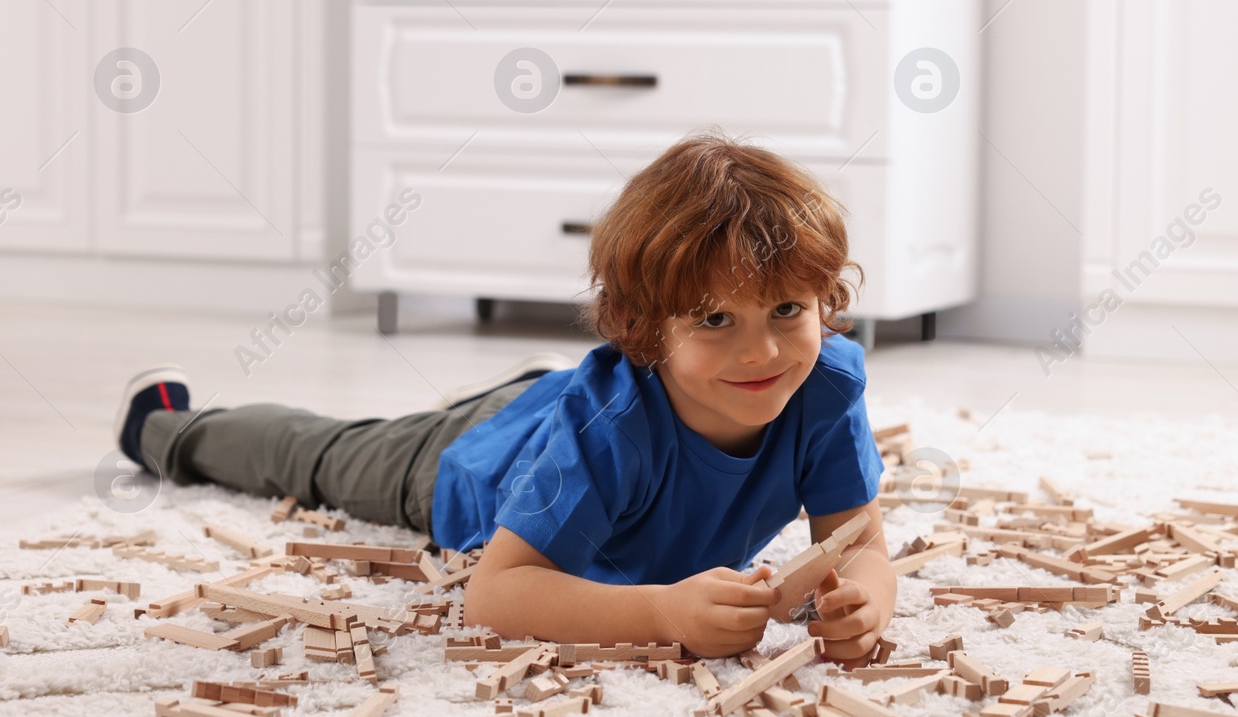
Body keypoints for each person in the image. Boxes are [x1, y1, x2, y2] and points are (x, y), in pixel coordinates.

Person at [115, 129, 896, 664]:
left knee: (564, 403)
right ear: (645, 329)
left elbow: (858, 543)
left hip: (563, 406)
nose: (761, 350)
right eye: (716, 319)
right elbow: (495, 595)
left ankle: (539, 385)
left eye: (787, 311)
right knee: (318, 455)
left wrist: (863, 604)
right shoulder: (612, 430)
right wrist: (661, 615)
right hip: (464, 460)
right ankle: (164, 426)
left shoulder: (824, 380)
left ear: (825, 302)